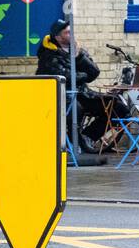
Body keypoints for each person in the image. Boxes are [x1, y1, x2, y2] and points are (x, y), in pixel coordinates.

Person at [36, 19, 109, 153]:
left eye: (71, 32)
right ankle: (74, 143)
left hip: (82, 93)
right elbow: (67, 77)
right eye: (67, 32)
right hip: (63, 96)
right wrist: (84, 75)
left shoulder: (76, 50)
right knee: (76, 108)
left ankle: (87, 137)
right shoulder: (49, 55)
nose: (71, 35)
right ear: (58, 37)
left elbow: (94, 73)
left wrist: (79, 56)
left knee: (113, 105)